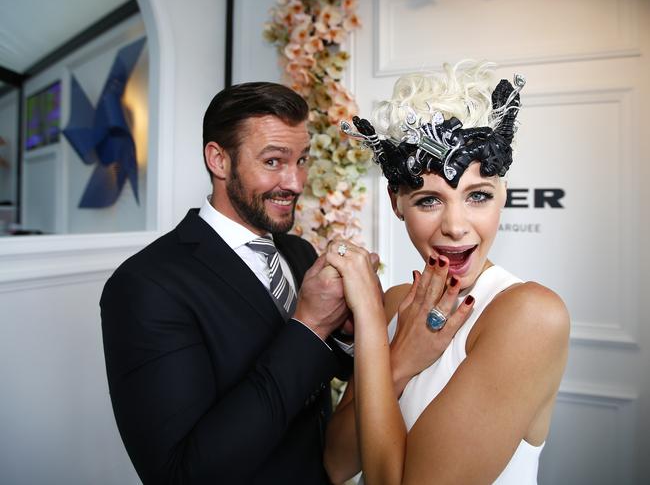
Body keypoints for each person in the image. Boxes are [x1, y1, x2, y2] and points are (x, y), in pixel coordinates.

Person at [323, 61, 570, 484]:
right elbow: (337, 462)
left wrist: (364, 312)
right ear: (396, 202)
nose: (456, 226)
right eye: (428, 201)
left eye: (477, 196)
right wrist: (398, 360)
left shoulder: (530, 317)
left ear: (502, 195)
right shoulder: (398, 301)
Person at [101, 82, 356, 484]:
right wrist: (310, 326)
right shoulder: (144, 285)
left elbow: (325, 370)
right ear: (219, 160)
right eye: (273, 161)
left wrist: (347, 331)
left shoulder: (299, 253)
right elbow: (181, 474)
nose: (294, 182)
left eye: (302, 160)